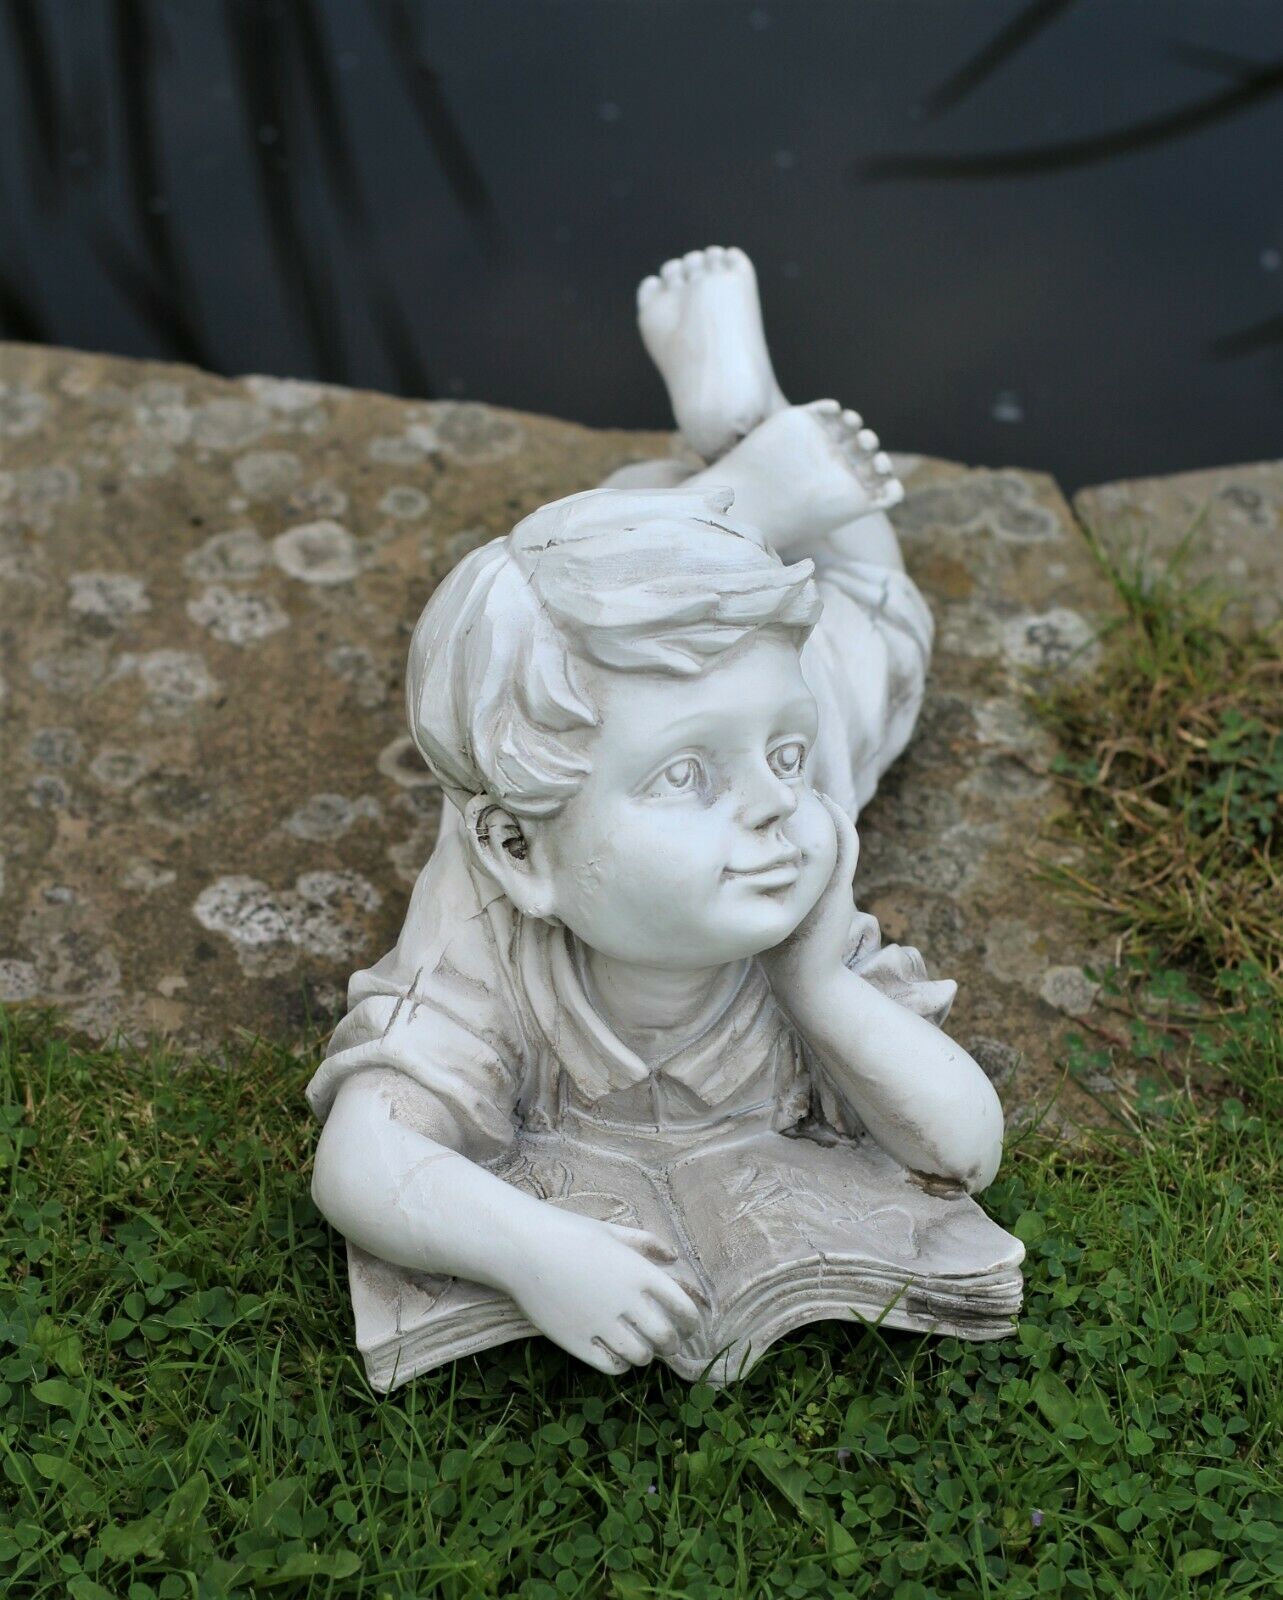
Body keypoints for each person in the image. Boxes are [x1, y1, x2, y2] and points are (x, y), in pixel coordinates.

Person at [307, 485, 1005, 1377]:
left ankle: (757, 471)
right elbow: (364, 1157)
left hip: (794, 683)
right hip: (547, 818)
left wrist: (817, 983)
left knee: (880, 620)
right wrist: (536, 1255)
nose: (772, 804)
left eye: (783, 755)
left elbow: (964, 1150)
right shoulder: (482, 936)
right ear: (518, 851)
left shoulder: (791, 859)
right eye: (683, 775)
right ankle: (731, 490)